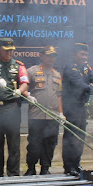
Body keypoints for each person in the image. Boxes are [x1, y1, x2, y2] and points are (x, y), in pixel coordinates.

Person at [0, 38, 29, 177]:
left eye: (11, 50)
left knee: (14, 144)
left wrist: (19, 91)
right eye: (6, 50)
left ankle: (13, 173)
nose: (9, 53)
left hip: (12, 108)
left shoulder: (18, 66)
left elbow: (24, 82)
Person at [61, 42, 93, 176]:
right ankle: (69, 167)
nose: (85, 57)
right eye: (82, 54)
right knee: (71, 138)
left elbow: (92, 76)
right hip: (70, 107)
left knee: (80, 137)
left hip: (80, 107)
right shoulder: (70, 69)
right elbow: (81, 85)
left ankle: (76, 163)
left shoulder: (85, 67)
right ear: (74, 55)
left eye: (86, 54)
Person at [24, 45, 63, 176]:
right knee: (34, 144)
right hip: (36, 116)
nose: (51, 59)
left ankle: (45, 168)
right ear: (41, 55)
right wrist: (28, 96)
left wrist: (61, 113)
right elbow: (22, 87)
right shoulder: (32, 71)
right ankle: (31, 168)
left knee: (50, 144)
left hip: (53, 117)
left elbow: (59, 96)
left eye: (53, 56)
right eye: (48, 55)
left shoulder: (57, 75)